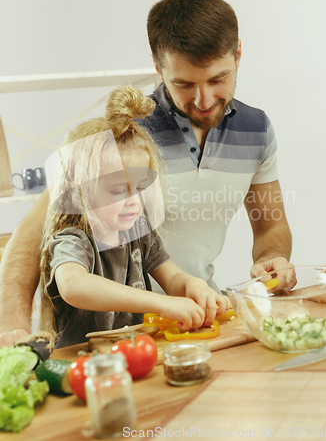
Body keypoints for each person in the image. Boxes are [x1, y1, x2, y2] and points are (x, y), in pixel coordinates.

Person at [0, 0, 295, 347]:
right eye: (184, 84)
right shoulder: (123, 137)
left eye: (218, 79)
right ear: (158, 67)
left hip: (191, 324)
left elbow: (271, 224)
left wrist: (272, 259)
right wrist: (11, 331)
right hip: (117, 337)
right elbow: (30, 240)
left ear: (238, 55)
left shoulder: (257, 130)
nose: (203, 100)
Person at [39, 85, 229, 348]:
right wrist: (161, 302)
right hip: (85, 362)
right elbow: (74, 285)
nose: (134, 201)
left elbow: (173, 279)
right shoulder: (73, 239)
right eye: (118, 190)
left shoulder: (139, 232)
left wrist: (195, 286)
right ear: (81, 191)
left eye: (142, 188)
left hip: (136, 352)